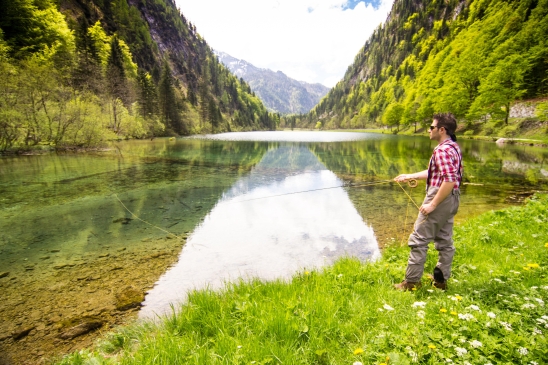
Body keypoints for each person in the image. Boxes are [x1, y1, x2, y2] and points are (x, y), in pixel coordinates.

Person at [393, 113, 463, 291]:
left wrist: (432, 204)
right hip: (453, 198)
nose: (429, 130)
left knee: (418, 239)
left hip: (440, 197)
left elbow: (449, 179)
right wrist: (410, 176)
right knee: (445, 241)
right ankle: (441, 281)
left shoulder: (441, 150)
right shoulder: (453, 147)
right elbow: (437, 173)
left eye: (431, 127)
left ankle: (411, 283)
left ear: (442, 130)